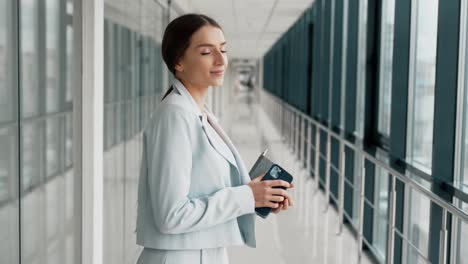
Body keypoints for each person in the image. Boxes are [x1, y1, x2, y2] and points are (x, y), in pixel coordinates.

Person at [135, 13, 295, 264]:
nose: (221, 60)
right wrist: (247, 196)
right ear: (179, 61)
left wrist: (258, 195)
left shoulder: (200, 113)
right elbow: (171, 216)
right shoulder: (175, 116)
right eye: (207, 52)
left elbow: (204, 189)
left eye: (223, 50)